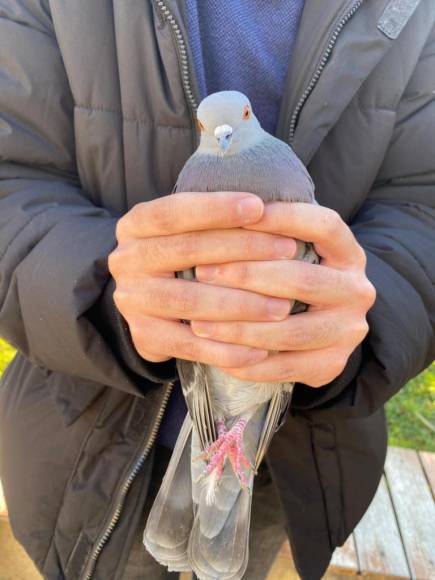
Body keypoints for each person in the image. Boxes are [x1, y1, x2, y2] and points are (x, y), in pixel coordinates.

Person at [0, 1, 434, 579]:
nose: (225, 137)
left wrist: (357, 317)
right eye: (213, 130)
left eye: (237, 122)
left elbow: (424, 203)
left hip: (296, 460)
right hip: (82, 451)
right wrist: (110, 299)